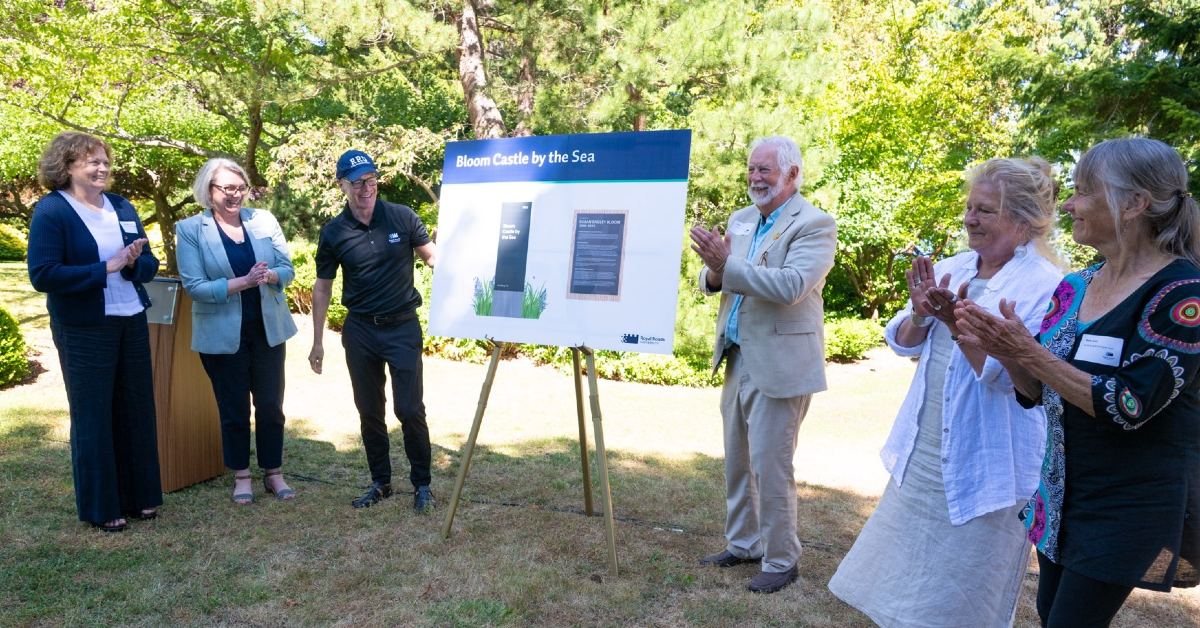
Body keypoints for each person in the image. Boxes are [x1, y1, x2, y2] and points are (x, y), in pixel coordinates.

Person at [955, 138, 1200, 627]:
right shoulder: (1076, 286)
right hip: (1061, 494)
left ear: (1134, 204)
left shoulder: (1183, 295)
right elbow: (1037, 392)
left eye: (1084, 191)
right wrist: (1008, 350)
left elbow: (1129, 404)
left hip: (1131, 502)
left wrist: (1031, 353)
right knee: (1051, 615)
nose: (1068, 204)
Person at [827, 158, 1064, 626]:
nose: (970, 219)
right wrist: (919, 313)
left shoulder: (1047, 285)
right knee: (903, 584)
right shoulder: (954, 266)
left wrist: (956, 323)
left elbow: (1012, 380)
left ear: (1022, 222)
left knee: (964, 594)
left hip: (990, 461)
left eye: (985, 211)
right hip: (925, 450)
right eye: (970, 208)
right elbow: (899, 341)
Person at [688, 136, 837, 593]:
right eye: (751, 169)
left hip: (781, 363)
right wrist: (714, 270)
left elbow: (791, 285)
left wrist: (726, 265)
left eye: (765, 170)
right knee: (737, 460)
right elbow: (716, 279)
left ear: (792, 174)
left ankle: (781, 560)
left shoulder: (815, 224)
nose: (755, 178)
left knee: (771, 466)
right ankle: (743, 544)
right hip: (737, 357)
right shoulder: (742, 219)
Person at [27, 131, 162, 532]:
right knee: (94, 415)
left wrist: (135, 261)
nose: (102, 168)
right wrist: (106, 266)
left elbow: (148, 263)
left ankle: (141, 497)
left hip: (131, 317)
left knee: (136, 409)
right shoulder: (53, 211)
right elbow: (43, 274)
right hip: (85, 327)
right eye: (92, 161)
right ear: (67, 167)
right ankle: (102, 506)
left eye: (105, 161)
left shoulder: (122, 206)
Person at [308, 150, 438, 512]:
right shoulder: (334, 232)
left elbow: (432, 257)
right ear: (342, 186)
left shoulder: (401, 216)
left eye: (371, 180)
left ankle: (422, 484)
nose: (367, 188)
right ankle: (381, 482)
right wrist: (317, 340)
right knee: (369, 410)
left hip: (402, 327)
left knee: (410, 409)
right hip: (361, 331)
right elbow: (322, 287)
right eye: (358, 182)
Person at [175, 158, 298, 504]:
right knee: (233, 408)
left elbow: (286, 268)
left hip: (267, 330)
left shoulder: (263, 220)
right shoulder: (189, 229)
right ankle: (241, 475)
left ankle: (273, 472)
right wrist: (241, 283)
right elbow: (195, 286)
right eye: (227, 188)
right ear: (209, 191)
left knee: (271, 405)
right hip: (221, 334)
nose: (235, 195)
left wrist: (272, 276)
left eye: (240, 187)